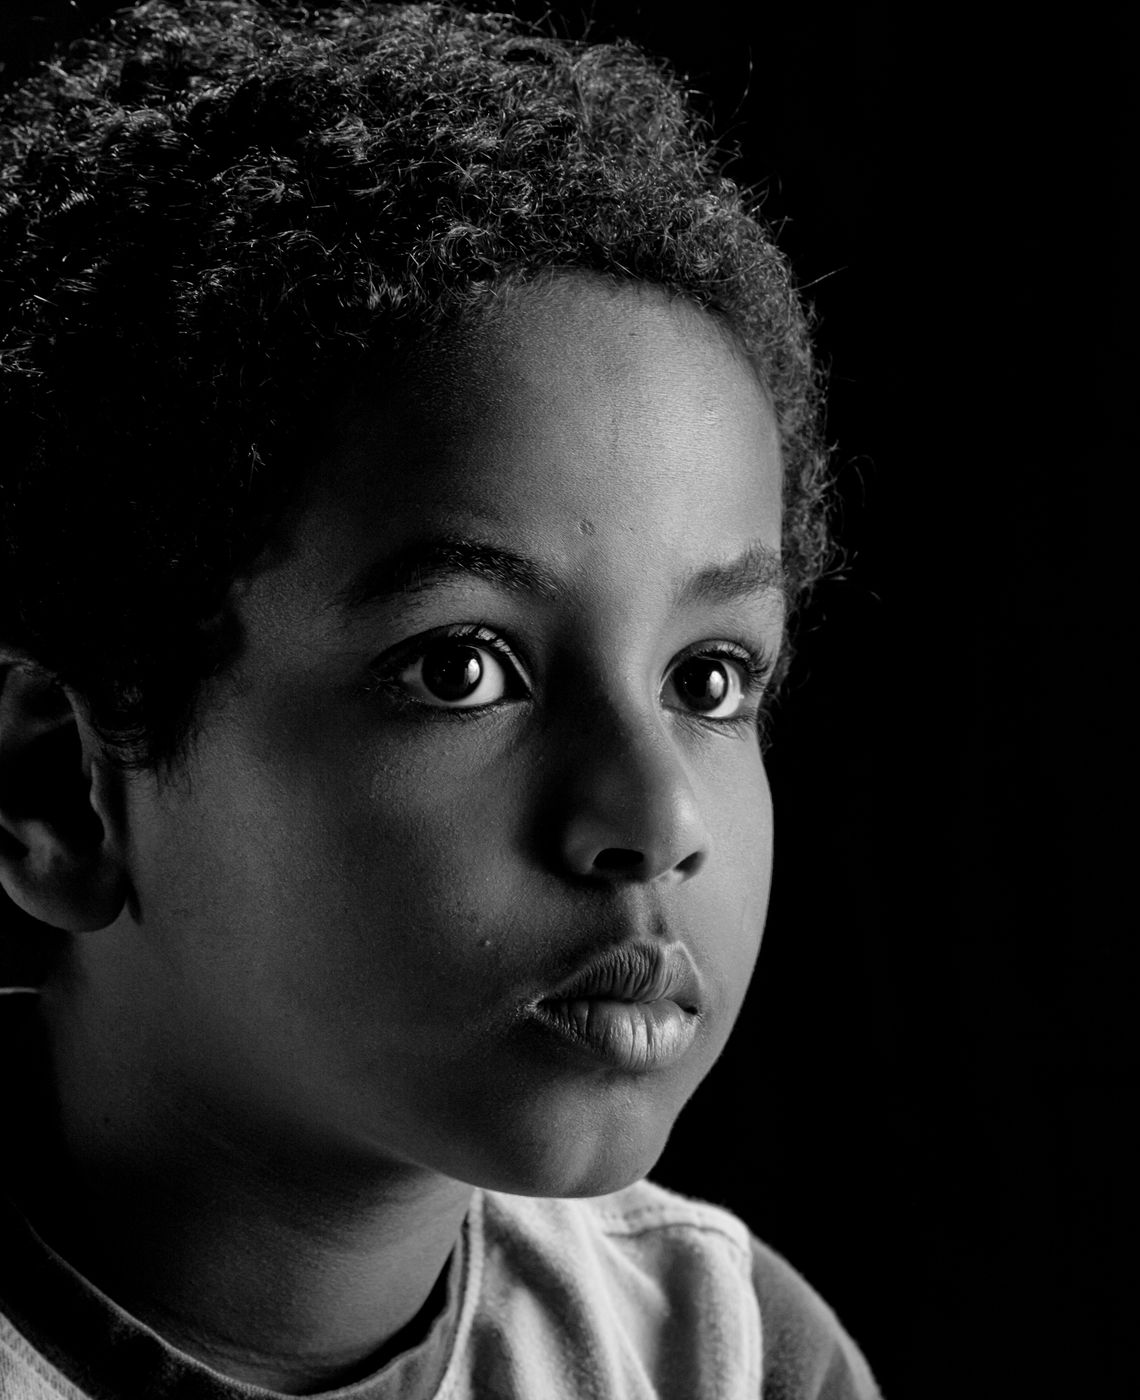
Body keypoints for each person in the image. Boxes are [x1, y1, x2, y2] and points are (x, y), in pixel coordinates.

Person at [0, 2, 883, 1397]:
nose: (656, 819)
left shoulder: (723, 1356)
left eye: (708, 678)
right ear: (61, 789)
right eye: (462, 667)